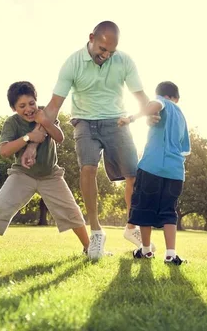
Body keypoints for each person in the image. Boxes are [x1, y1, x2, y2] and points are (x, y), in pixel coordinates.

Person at [22, 21, 153, 260]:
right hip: (84, 122)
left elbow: (141, 96)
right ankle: (96, 231)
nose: (105, 56)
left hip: (116, 121)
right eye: (102, 49)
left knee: (134, 174)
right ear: (91, 37)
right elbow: (52, 108)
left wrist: (154, 112)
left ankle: (131, 226)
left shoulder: (124, 61)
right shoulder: (73, 63)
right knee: (88, 169)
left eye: (110, 52)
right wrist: (32, 143)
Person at [0, 81, 89, 259]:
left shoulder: (45, 113)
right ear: (14, 108)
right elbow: (5, 151)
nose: (29, 109)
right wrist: (28, 137)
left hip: (51, 175)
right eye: (22, 106)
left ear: (36, 101)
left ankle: (88, 248)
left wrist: (45, 122)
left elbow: (59, 137)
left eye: (31, 103)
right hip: (22, 175)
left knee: (72, 211)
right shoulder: (12, 123)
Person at [118, 81, 190, 265]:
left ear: (163, 95)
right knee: (169, 211)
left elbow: (155, 105)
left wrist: (132, 118)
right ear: (177, 98)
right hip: (175, 172)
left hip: (152, 167)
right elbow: (184, 149)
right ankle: (171, 254)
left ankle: (146, 250)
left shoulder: (162, 101)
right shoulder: (181, 116)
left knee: (144, 208)